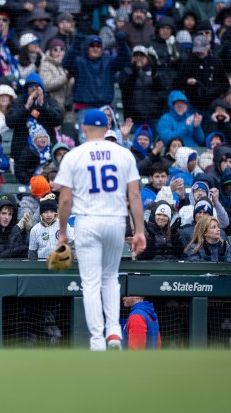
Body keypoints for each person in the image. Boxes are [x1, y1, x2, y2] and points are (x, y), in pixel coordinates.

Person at [55, 109, 146, 351]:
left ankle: (97, 340)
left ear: (84, 129)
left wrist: (63, 231)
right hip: (115, 221)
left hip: (87, 221)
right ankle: (114, 332)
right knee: (110, 279)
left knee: (91, 283)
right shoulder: (123, 154)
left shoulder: (74, 155)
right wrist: (139, 231)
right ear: (107, 129)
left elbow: (64, 201)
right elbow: (135, 195)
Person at [28, 193, 74, 260]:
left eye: (51, 211)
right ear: (41, 214)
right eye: (45, 212)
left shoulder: (64, 225)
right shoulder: (35, 229)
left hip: (61, 264)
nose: (48, 215)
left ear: (55, 212)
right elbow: (32, 253)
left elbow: (72, 245)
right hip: (42, 266)